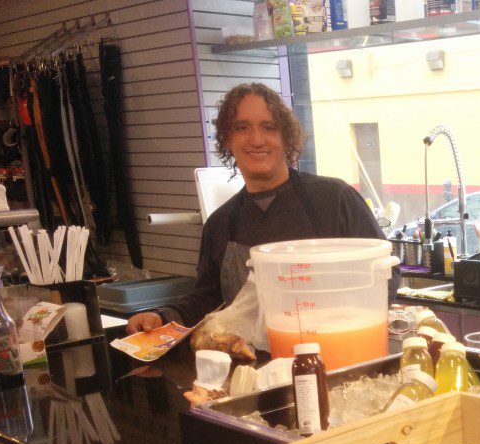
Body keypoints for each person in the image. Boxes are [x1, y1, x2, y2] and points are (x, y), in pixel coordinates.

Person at [127, 83, 388, 334]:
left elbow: (385, 272)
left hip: (337, 349)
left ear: (286, 137)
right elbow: (208, 298)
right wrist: (163, 317)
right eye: (242, 128)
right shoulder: (220, 224)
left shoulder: (335, 199)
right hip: (252, 360)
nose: (256, 139)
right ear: (227, 140)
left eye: (269, 127)